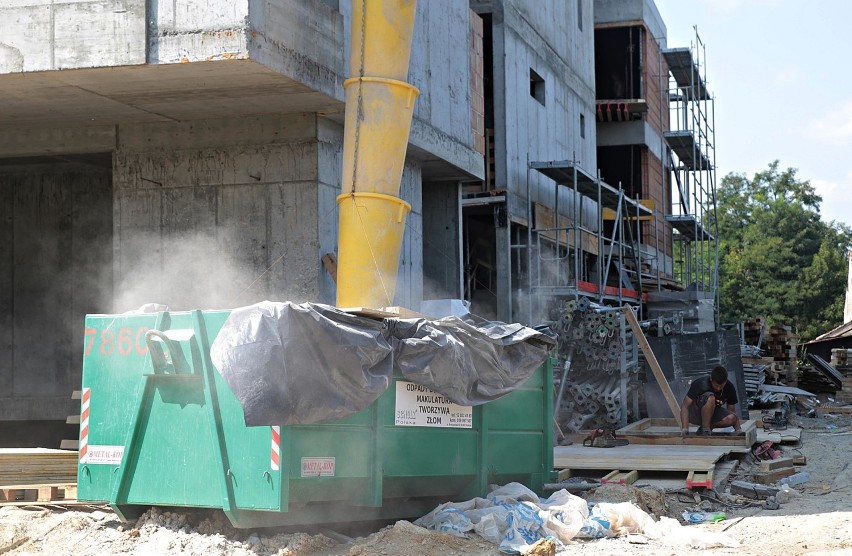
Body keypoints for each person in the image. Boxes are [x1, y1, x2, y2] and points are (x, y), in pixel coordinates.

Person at [679, 365, 742, 435]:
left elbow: (731, 410)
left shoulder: (730, 388)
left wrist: (738, 431)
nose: (718, 388)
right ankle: (705, 430)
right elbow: (685, 406)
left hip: (712, 414)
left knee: (732, 418)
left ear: (725, 381)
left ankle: (705, 427)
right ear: (711, 379)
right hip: (695, 415)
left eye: (721, 386)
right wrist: (685, 428)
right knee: (711, 398)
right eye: (716, 385)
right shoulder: (701, 384)